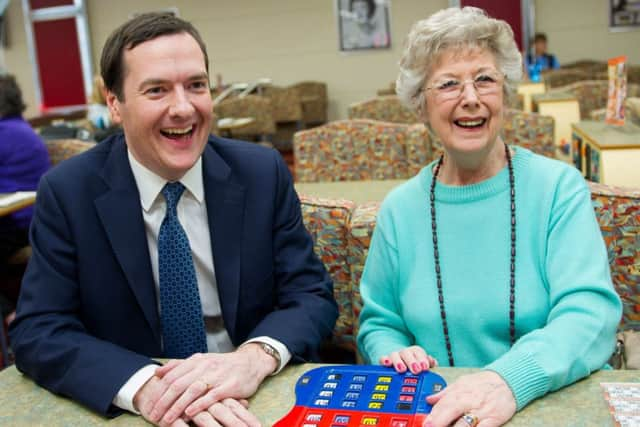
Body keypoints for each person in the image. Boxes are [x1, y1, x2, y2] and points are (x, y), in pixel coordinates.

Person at [10, 12, 337, 427]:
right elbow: (38, 330)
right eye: (157, 90)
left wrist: (254, 358)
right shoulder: (69, 192)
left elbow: (311, 294)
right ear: (114, 103)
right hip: (142, 408)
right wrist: (146, 386)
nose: (183, 108)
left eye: (196, 86)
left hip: (256, 394)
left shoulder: (261, 173)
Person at [358, 7, 621, 427]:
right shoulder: (400, 210)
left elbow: (589, 314)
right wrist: (392, 351)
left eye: (484, 79)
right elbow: (378, 322)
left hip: (553, 405)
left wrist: (508, 381)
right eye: (448, 84)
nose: (471, 98)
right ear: (420, 105)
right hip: (438, 412)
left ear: (505, 91)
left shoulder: (557, 189)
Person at [0, 74, 50, 322]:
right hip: (30, 219)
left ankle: (10, 315)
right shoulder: (21, 128)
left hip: (17, 223)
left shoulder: (4, 133)